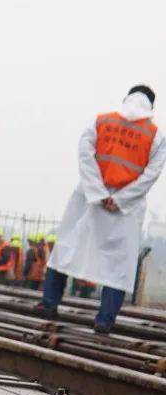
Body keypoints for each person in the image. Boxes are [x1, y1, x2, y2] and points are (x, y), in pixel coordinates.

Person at [35, 86, 164, 333]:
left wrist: (98, 193)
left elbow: (85, 156)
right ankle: (104, 320)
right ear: (151, 106)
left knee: (68, 248)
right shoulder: (155, 135)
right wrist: (121, 199)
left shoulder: (101, 121)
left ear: (126, 98)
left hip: (89, 200)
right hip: (126, 209)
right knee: (118, 265)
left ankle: (49, 303)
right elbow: (151, 175)